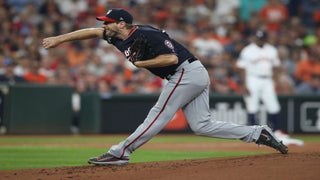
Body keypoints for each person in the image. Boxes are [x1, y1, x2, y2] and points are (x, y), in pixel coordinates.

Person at [42, 8, 288, 166]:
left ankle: (121, 151)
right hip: (192, 73)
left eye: (108, 22)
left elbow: (171, 59)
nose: (103, 26)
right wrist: (59, 39)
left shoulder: (148, 34)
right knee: (202, 125)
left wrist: (141, 64)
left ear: (121, 23)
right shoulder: (114, 35)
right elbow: (91, 32)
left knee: (158, 115)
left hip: (184, 72)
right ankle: (258, 133)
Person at [236, 29, 304, 146]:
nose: (260, 40)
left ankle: (277, 132)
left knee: (273, 106)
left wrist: (276, 81)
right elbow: (242, 68)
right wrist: (245, 84)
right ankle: (253, 134)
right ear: (255, 38)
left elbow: (276, 67)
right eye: (258, 38)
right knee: (252, 106)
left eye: (262, 38)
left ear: (265, 38)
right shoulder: (248, 50)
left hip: (267, 79)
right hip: (253, 79)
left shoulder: (271, 49)